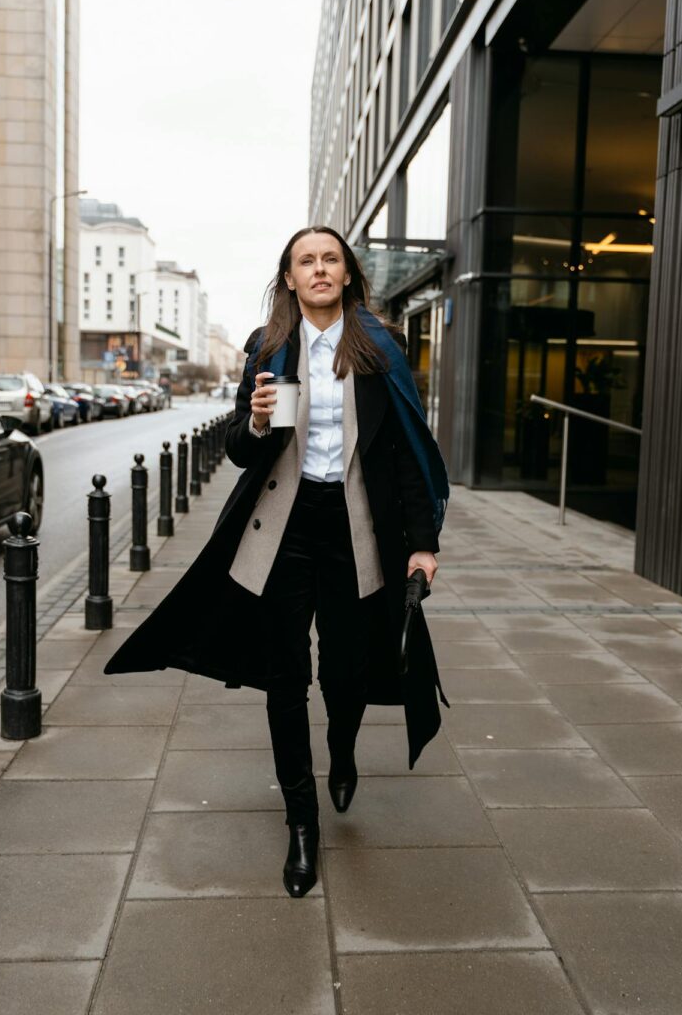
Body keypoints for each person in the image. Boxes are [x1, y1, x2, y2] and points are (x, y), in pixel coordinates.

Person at [105, 226, 449, 899]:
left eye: (330, 259)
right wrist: (259, 420)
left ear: (347, 274)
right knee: (286, 676)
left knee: (345, 672)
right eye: (305, 261)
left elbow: (406, 452)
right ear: (289, 279)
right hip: (285, 528)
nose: (319, 269)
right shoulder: (268, 350)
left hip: (356, 530)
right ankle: (302, 822)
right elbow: (238, 447)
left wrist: (422, 543)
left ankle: (344, 748)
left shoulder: (380, 350)